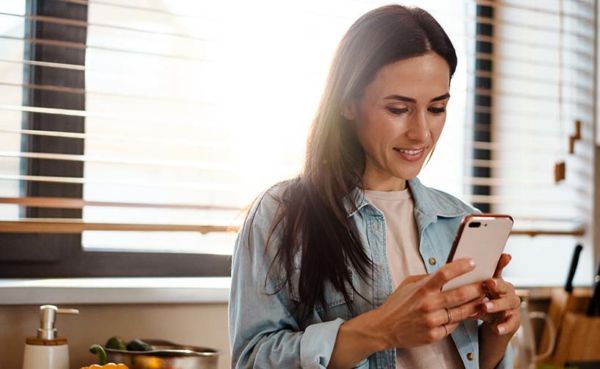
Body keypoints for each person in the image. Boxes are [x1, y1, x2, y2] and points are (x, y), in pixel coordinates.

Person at [229, 4, 520, 369]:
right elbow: (253, 360)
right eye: (398, 109)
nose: (422, 133)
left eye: (436, 108)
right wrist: (380, 330)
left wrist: (497, 335)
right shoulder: (282, 214)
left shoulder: (461, 219)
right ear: (348, 102)